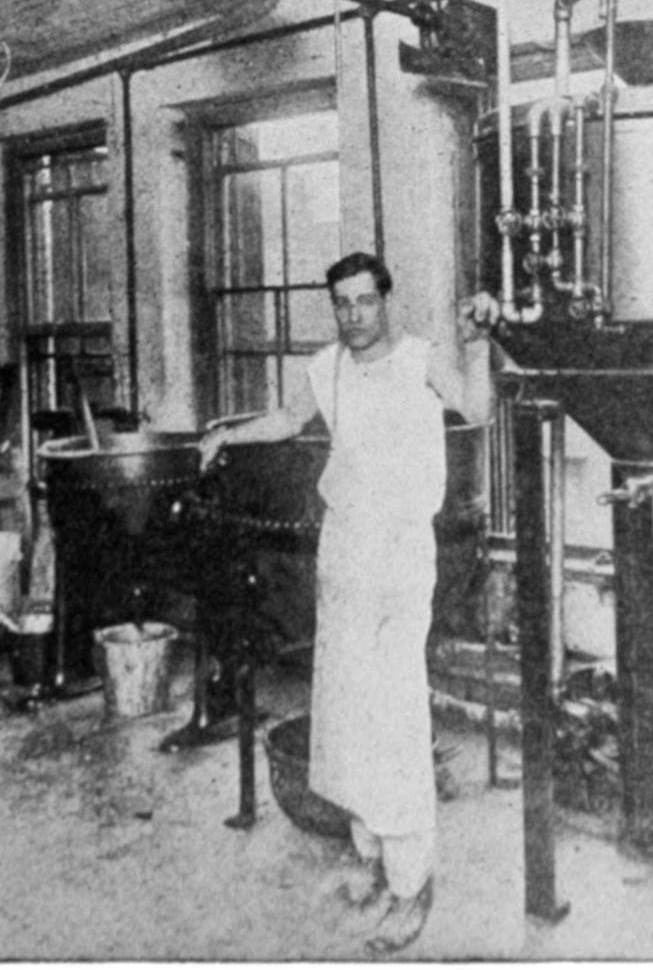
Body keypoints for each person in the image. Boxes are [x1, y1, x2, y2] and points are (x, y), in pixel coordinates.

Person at [199, 251, 495, 954]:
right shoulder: (328, 366)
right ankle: (372, 853)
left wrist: (479, 342)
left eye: (365, 300)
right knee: (346, 710)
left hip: (398, 554)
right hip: (344, 550)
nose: (354, 314)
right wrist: (226, 434)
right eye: (343, 303)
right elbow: (285, 418)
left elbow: (478, 407)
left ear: (385, 300)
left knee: (393, 714)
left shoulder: (420, 358)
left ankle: (412, 880)